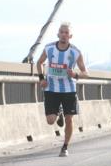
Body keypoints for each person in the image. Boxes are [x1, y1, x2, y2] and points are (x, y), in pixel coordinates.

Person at [36, 22, 88, 157]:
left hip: (69, 90)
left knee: (69, 119)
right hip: (51, 89)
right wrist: (42, 78)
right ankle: (58, 113)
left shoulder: (75, 52)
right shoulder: (49, 48)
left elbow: (85, 72)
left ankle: (65, 146)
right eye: (62, 32)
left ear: (70, 36)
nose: (64, 35)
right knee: (50, 121)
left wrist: (75, 75)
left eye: (66, 33)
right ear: (58, 34)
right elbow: (39, 62)